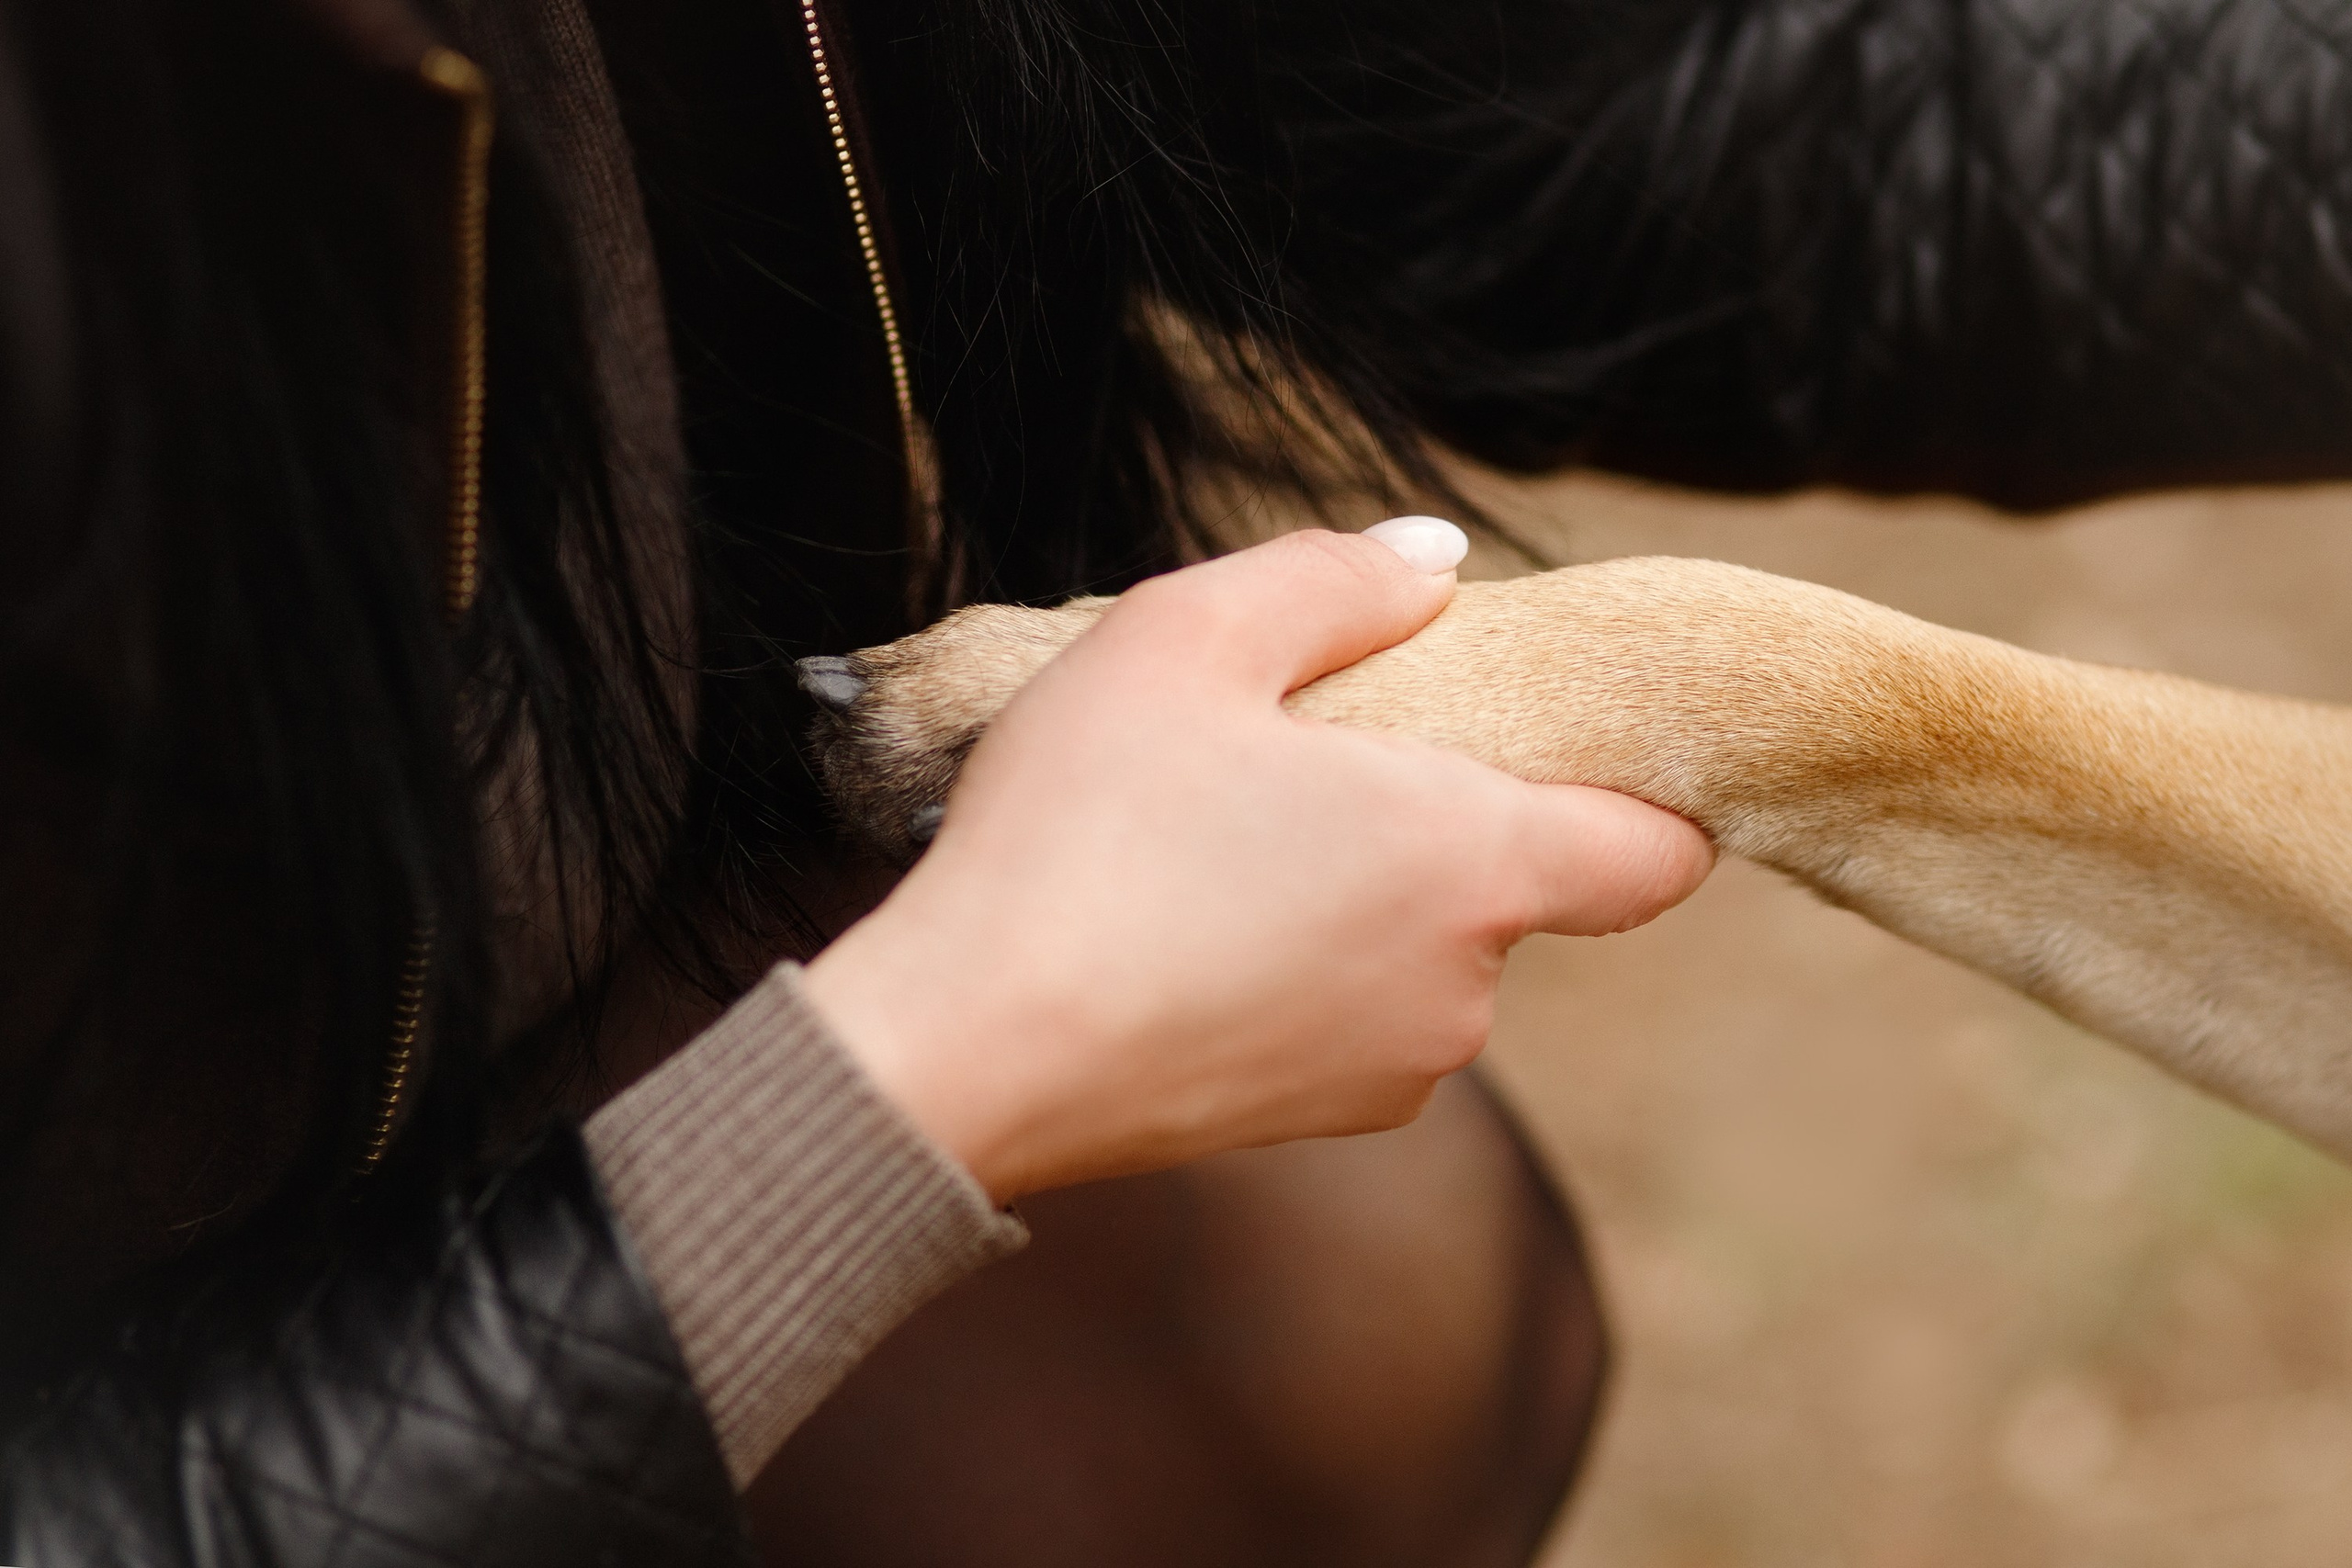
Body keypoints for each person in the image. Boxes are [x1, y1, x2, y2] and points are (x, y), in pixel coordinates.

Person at [6, 0, 2352, 1563]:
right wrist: (925, 1074)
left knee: (1314, 1340)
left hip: (519, 921)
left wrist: (1721, 687)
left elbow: (1605, 122)